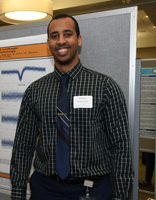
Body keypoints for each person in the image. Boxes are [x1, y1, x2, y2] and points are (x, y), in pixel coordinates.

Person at [10, 14, 133, 200]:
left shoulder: (105, 87)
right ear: (48, 43)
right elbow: (23, 145)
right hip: (45, 189)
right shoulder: (34, 91)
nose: (61, 41)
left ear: (79, 40)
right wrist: (18, 193)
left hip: (93, 189)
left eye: (67, 34)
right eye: (54, 36)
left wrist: (121, 195)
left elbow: (121, 146)